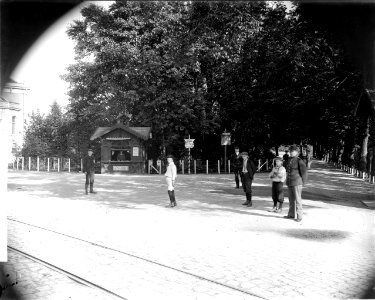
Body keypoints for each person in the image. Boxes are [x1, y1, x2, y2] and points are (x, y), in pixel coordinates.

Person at [284, 145, 307, 222]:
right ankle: (291, 214)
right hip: (290, 182)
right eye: (290, 151)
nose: (291, 152)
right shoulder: (289, 159)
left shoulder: (299, 161)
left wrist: (303, 182)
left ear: (297, 152)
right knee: (291, 199)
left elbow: (304, 173)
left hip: (297, 182)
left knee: (298, 199)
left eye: (293, 151)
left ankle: (299, 216)